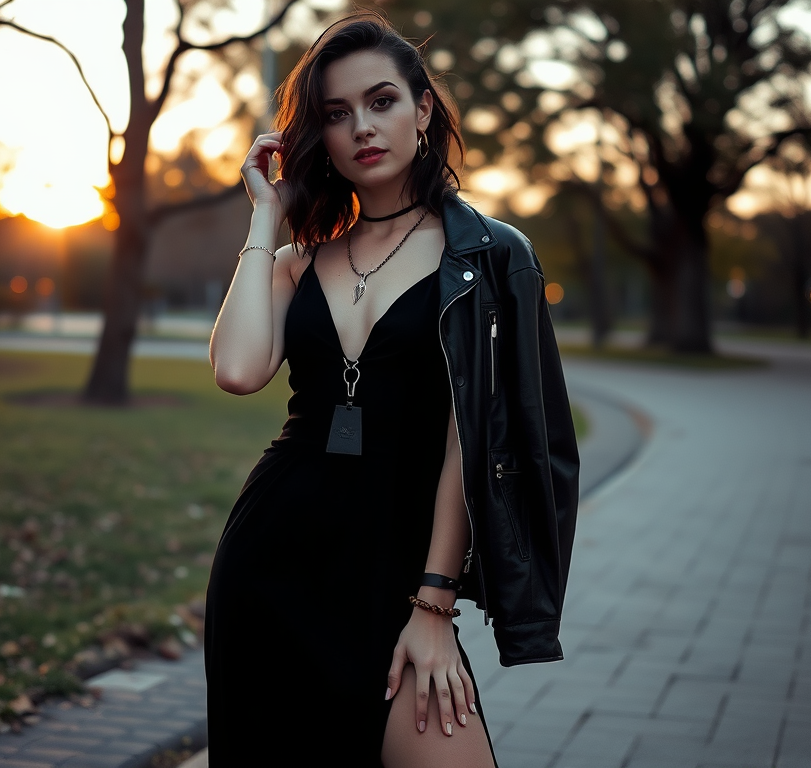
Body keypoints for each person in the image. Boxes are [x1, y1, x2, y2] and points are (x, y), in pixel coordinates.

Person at [205, 12, 579, 768]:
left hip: (400, 575)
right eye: (336, 115)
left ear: (424, 109)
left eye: (381, 102)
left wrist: (435, 603)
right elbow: (239, 371)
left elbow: (470, 441)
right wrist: (265, 215)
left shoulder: (490, 258)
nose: (361, 129)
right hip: (271, 564)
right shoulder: (297, 263)